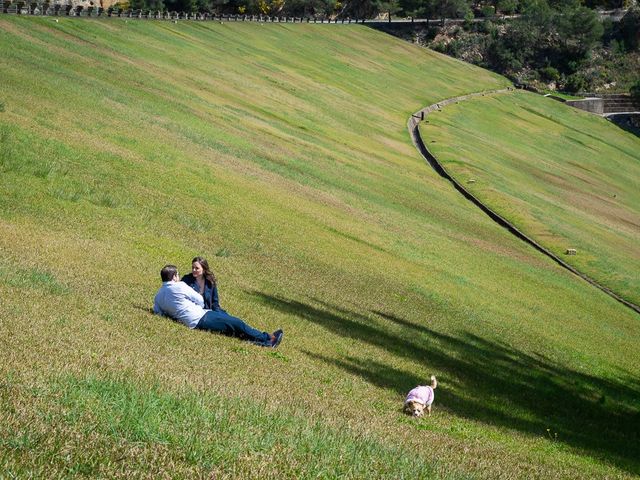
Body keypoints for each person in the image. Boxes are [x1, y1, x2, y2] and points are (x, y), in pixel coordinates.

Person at [153, 264, 283, 347]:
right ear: (175, 276)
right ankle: (268, 339)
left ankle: (257, 341)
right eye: (178, 274)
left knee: (229, 326)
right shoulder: (179, 286)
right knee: (237, 323)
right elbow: (199, 300)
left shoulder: (158, 296)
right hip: (201, 316)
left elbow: (158, 312)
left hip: (192, 321)